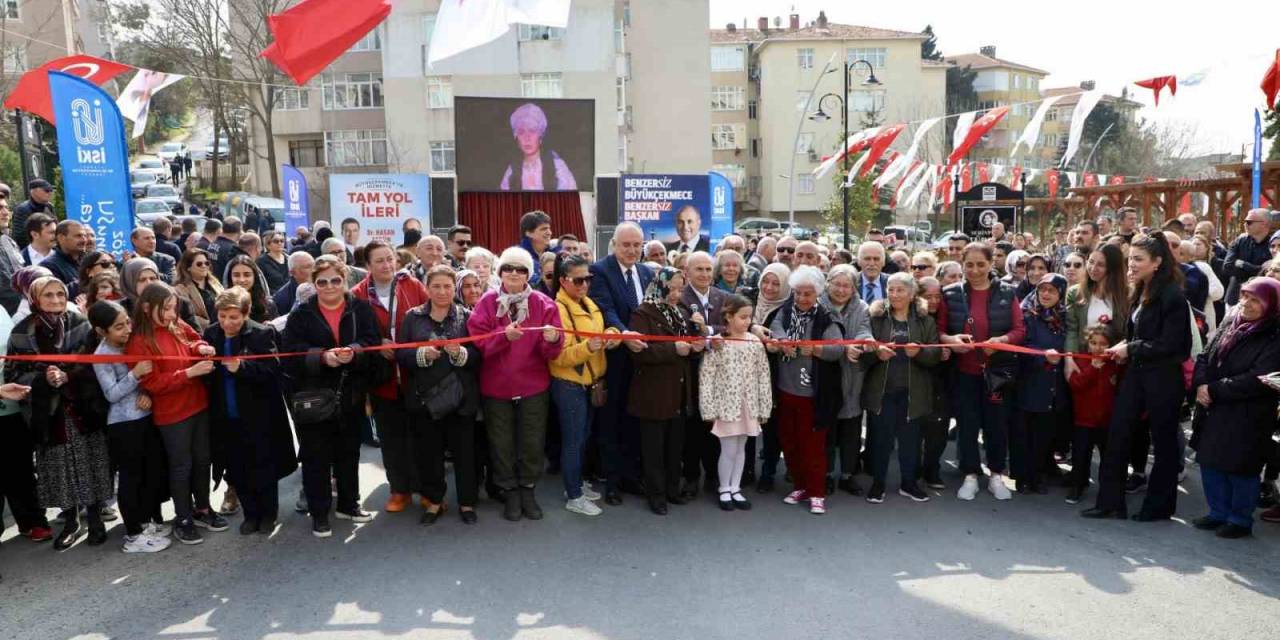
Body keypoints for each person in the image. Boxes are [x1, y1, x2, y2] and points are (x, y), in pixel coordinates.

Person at [1083, 234, 1191, 522]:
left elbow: (1172, 346)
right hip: (1136, 375)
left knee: (1164, 443)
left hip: (1163, 379)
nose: (1131, 264)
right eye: (1130, 258)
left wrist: (1130, 348)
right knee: (1118, 435)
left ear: (1157, 263)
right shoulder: (1138, 291)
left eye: (1139, 260)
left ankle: (1158, 507)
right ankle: (1110, 503)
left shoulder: (1173, 296)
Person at [5, 277, 113, 550]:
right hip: (48, 413)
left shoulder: (81, 324)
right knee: (60, 466)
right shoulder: (21, 332)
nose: (55, 300)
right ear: (34, 299)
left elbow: (94, 364)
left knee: (91, 460)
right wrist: (44, 378)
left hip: (82, 407)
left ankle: (96, 517)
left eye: (59, 294)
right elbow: (14, 374)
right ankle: (72, 520)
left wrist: (68, 376)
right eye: (48, 295)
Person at [281, 255, 381, 537]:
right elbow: (291, 353)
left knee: (349, 452)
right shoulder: (301, 314)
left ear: (345, 281)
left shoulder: (360, 308)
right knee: (316, 457)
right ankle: (319, 512)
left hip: (350, 392)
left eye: (335, 280)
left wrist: (354, 351)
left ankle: (349, 505)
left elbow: (371, 342)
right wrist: (322, 358)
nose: (328, 286)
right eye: (321, 281)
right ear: (313, 284)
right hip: (313, 396)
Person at [126, 282, 228, 544]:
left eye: (174, 308)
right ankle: (183, 517)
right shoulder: (139, 341)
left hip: (198, 403)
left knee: (203, 459)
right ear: (147, 308)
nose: (172, 314)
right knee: (181, 466)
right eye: (167, 309)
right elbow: (151, 384)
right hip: (172, 413)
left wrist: (201, 348)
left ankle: (203, 508)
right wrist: (188, 373)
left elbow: (194, 339)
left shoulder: (177, 325)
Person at [467, 247, 563, 521]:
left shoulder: (544, 304)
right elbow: (478, 343)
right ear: (500, 272)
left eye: (520, 269)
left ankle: (528, 490)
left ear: (528, 275)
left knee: (532, 442)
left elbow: (551, 353)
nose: (513, 273)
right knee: (501, 443)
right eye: (508, 268)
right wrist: (502, 336)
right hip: (496, 388)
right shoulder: (487, 302)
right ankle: (509, 491)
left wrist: (554, 339)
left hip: (533, 387)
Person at [1186, 277, 1280, 538]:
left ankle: (1239, 519)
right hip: (1214, 405)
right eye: (1244, 296)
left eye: (1255, 299)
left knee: (1240, 466)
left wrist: (1213, 389)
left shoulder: (1274, 333)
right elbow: (1206, 354)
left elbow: (1259, 378)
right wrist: (1202, 384)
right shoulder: (1233, 319)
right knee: (1210, 460)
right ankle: (1218, 512)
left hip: (1247, 412)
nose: (1246, 304)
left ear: (1270, 304)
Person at [203, 288, 297, 535]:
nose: (227, 322)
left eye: (233, 317)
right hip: (226, 413)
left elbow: (274, 371)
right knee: (237, 467)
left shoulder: (261, 333)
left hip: (258, 415)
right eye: (222, 316)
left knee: (263, 466)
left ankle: (268, 514)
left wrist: (243, 367)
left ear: (245, 314)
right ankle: (250, 513)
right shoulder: (211, 334)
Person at [938, 243, 1025, 502]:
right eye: (969, 264)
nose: (975, 270)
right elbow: (940, 331)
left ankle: (996, 474)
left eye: (981, 264)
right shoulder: (950, 293)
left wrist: (1001, 341)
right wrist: (951, 340)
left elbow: (1020, 330)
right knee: (967, 424)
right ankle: (970, 474)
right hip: (963, 373)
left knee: (996, 424)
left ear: (991, 265)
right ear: (962, 264)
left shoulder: (1008, 292)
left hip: (997, 373)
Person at [397, 265, 482, 525]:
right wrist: (422, 355)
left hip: (460, 399)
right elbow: (401, 354)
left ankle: (467, 503)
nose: (442, 291)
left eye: (447, 286)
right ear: (427, 288)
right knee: (429, 454)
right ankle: (434, 501)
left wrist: (460, 354)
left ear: (453, 288)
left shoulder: (468, 316)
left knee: (465, 455)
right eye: (436, 286)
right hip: (424, 400)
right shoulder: (412, 317)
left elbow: (479, 356)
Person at [350, 240, 428, 514]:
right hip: (381, 378)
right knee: (391, 436)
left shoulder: (412, 285)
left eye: (390, 259)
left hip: (414, 373)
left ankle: (426, 490)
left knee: (420, 435)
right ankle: (399, 489)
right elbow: (355, 334)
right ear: (368, 266)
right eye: (379, 261)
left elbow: (428, 319)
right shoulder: (358, 294)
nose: (387, 265)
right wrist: (376, 343)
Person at [88, 300, 171, 553]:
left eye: (127, 322)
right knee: (130, 478)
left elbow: (150, 376)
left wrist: (146, 389)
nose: (126, 329)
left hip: (145, 417)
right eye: (118, 327)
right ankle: (133, 534)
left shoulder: (132, 341)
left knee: (149, 472)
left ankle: (146, 522)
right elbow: (111, 393)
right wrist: (135, 375)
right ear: (102, 331)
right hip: (123, 425)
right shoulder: (101, 356)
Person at [767, 266, 843, 515]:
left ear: (818, 293)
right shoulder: (785, 311)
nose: (801, 298)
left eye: (808, 294)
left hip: (813, 394)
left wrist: (818, 350)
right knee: (790, 442)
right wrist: (781, 343)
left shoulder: (826, 317)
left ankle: (817, 492)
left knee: (813, 447)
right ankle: (800, 486)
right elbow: (774, 330)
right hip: (786, 389)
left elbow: (838, 349)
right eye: (798, 293)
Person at [860, 272, 941, 503]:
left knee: (910, 442)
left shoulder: (925, 320)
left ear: (912, 293)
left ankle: (909, 483)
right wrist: (876, 353)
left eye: (900, 290)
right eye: (891, 290)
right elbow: (863, 356)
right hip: (882, 391)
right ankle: (878, 483)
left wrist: (921, 353)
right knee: (881, 440)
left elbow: (935, 354)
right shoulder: (876, 317)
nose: (894, 294)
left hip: (913, 392)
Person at [588, 222, 653, 505]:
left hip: (644, 361)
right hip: (615, 359)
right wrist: (624, 334)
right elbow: (605, 309)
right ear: (614, 244)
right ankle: (612, 482)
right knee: (611, 421)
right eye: (626, 245)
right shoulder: (600, 270)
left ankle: (631, 475)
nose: (631, 250)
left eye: (637, 245)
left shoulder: (648, 272)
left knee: (635, 421)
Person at [549, 254, 619, 517]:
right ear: (564, 281)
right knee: (573, 442)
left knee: (582, 439)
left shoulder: (588, 303)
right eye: (578, 280)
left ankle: (575, 484)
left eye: (588, 279)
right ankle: (574, 494)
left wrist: (612, 336)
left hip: (590, 382)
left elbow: (603, 329)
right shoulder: (557, 309)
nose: (584, 285)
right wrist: (589, 347)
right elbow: (559, 356)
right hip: (570, 384)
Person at [628, 267, 700, 514]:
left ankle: (672, 490)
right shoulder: (643, 313)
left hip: (678, 391)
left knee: (674, 446)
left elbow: (686, 345)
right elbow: (640, 352)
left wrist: (696, 341)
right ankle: (656, 495)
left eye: (680, 288)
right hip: (653, 392)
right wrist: (674, 350)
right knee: (654, 449)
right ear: (660, 286)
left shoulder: (679, 313)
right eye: (673, 288)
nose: (677, 294)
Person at [699, 294, 771, 511]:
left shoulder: (755, 342)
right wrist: (708, 408)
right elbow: (707, 376)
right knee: (728, 449)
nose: (747, 321)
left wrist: (764, 406)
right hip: (726, 406)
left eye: (749, 317)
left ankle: (735, 487)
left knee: (742, 449)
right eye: (742, 317)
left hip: (748, 405)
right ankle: (724, 488)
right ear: (729, 317)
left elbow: (763, 375)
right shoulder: (719, 343)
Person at [1012, 273, 1070, 495]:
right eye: (1042, 289)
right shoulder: (1028, 316)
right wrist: (1042, 357)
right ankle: (1023, 478)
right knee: (1024, 435)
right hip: (1030, 383)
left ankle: (1037, 476)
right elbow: (1022, 349)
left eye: (1052, 290)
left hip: (1054, 387)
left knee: (1044, 435)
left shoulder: (1066, 318)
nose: (1045, 294)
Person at [679, 251, 728, 497]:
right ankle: (690, 477)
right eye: (699, 269)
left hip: (719, 375)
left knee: (714, 426)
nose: (705, 274)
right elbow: (682, 330)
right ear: (687, 272)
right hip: (690, 372)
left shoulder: (723, 297)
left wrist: (708, 330)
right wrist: (709, 338)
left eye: (709, 269)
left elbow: (732, 327)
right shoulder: (680, 299)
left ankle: (713, 475)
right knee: (693, 427)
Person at [821, 264, 872, 495]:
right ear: (828, 283)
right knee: (827, 431)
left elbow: (864, 331)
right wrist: (844, 348)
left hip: (853, 375)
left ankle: (847, 474)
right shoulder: (819, 305)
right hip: (826, 374)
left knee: (851, 431)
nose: (841, 290)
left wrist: (861, 343)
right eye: (837, 284)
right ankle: (827, 474)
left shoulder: (861, 307)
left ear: (854, 289)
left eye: (847, 286)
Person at [1065, 325, 1121, 505]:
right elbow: (1075, 385)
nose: (1098, 348)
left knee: (1108, 458)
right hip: (1083, 420)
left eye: (1103, 344)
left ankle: (1107, 490)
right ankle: (1078, 486)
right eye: (1094, 343)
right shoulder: (1081, 361)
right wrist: (1092, 369)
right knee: (1081, 456)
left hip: (1107, 421)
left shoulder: (1115, 365)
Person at [1064, 245, 1130, 388]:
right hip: (1085, 363)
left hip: (1115, 365)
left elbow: (1128, 331)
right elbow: (1072, 329)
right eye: (1091, 261)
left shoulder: (1127, 295)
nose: (1093, 268)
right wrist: (1069, 359)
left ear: (1113, 268)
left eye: (1101, 265)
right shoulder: (1075, 293)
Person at [750, 262, 791, 492]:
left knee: (772, 424)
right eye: (766, 281)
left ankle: (769, 471)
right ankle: (745, 469)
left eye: (776, 283)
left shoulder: (788, 309)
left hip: (774, 373)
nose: (769, 287)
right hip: (746, 372)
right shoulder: (750, 300)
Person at [499, 103, 578, 191]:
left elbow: (568, 198)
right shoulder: (512, 171)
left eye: (532, 131)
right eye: (521, 132)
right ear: (516, 138)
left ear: (540, 136)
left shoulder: (557, 167)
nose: (527, 138)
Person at [1224, 208, 1273, 305]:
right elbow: (1227, 267)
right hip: (1234, 298)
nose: (1245, 224)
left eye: (1249, 222)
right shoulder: (1239, 241)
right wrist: (1255, 269)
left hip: (1261, 299)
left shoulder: (1274, 244)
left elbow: (1267, 272)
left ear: (1264, 223)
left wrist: (1243, 264)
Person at [175, 248, 224, 332]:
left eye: (206, 263)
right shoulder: (180, 289)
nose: (204, 266)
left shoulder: (215, 283)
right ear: (188, 268)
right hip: (201, 333)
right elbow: (187, 316)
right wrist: (211, 325)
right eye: (199, 264)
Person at [224, 255, 278, 323]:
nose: (242, 280)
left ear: (254, 277)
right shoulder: (223, 305)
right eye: (236, 275)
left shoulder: (268, 305)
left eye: (247, 275)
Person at [0, 199, 27, 313]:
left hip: (20, 314)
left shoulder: (9, 241)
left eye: (6, 207)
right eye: (0, 208)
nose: (6, 212)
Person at [11, 178, 55, 249]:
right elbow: (20, 237)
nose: (50, 193)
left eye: (51, 190)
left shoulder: (49, 207)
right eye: (46, 190)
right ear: (34, 191)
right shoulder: (22, 209)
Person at [43, 220, 86, 287]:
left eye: (84, 236)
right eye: (78, 236)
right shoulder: (49, 266)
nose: (84, 240)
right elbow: (57, 293)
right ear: (61, 238)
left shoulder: (89, 261)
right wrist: (89, 280)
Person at [517, 210, 553, 287]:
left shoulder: (554, 254)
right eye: (544, 229)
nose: (549, 232)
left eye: (549, 228)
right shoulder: (519, 257)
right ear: (529, 233)